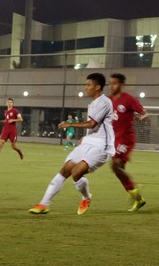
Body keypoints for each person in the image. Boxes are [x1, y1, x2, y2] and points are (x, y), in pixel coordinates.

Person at [29, 73, 115, 215]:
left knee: (76, 173)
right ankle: (43, 204)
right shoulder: (94, 103)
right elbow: (96, 127)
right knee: (66, 168)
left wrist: (70, 124)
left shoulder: (104, 102)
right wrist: (86, 139)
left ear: (98, 87)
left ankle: (86, 197)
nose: (86, 87)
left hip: (103, 146)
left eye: (89, 85)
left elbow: (92, 123)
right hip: (90, 142)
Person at [108, 73, 148, 212]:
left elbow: (144, 112)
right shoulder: (108, 100)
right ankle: (138, 198)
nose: (111, 86)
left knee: (115, 166)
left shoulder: (129, 99)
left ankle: (135, 188)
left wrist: (142, 116)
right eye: (110, 83)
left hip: (126, 138)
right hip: (114, 139)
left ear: (121, 85)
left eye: (114, 83)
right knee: (120, 171)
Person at [0, 97, 24, 163]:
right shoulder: (5, 112)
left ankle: (19, 151)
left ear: (13, 104)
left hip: (12, 130)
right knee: (1, 143)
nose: (9, 103)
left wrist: (13, 120)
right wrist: (0, 121)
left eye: (11, 102)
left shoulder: (15, 111)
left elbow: (21, 119)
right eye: (8, 102)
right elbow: (7, 120)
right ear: (7, 103)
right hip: (5, 129)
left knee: (13, 147)